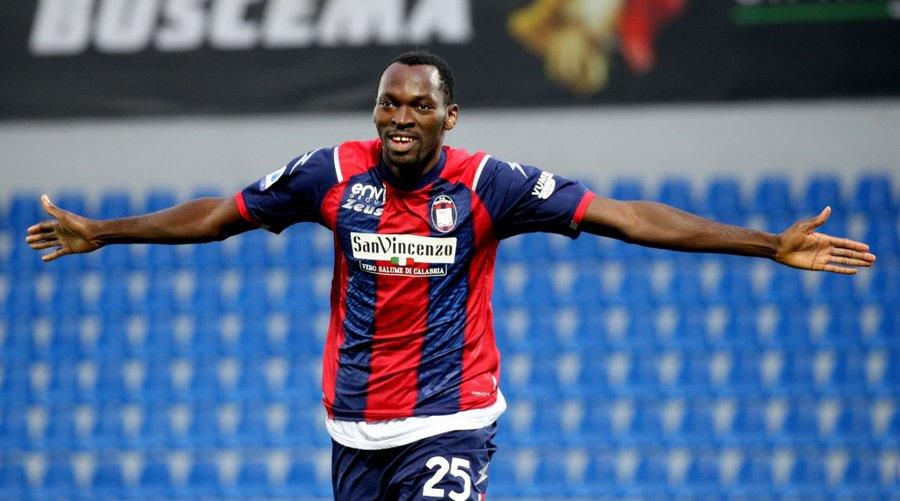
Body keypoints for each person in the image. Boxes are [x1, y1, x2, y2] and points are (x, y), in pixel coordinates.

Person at [26, 50, 875, 500]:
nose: (399, 117)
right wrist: (102, 230)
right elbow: (216, 216)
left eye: (417, 105)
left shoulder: (487, 183)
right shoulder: (331, 172)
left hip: (453, 419)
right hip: (353, 429)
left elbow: (627, 215)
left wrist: (766, 244)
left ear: (449, 115)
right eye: (388, 103)